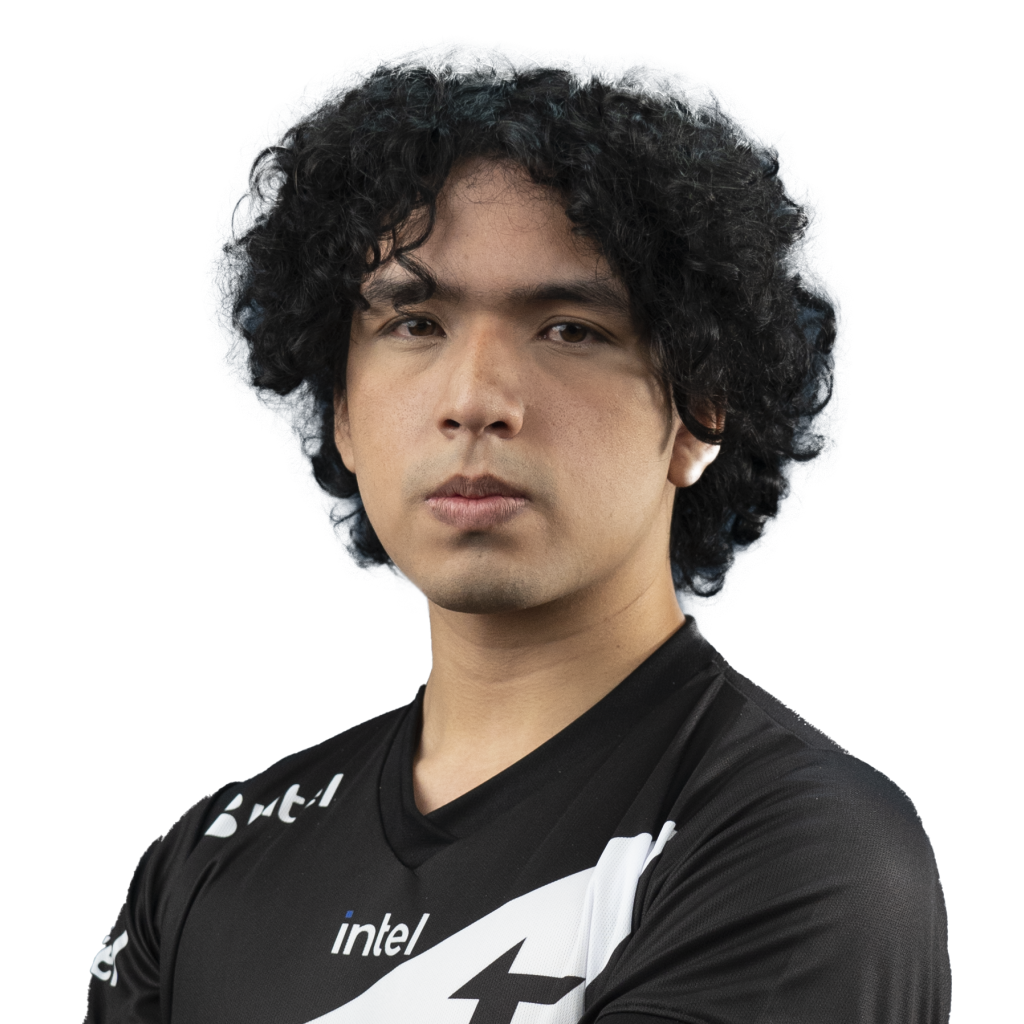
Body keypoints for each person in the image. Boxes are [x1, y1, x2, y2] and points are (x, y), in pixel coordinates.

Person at [84, 48, 951, 1023]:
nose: (474, 399)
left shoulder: (801, 846)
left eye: (569, 328)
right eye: (415, 323)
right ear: (341, 412)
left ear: (699, 414)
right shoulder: (207, 859)